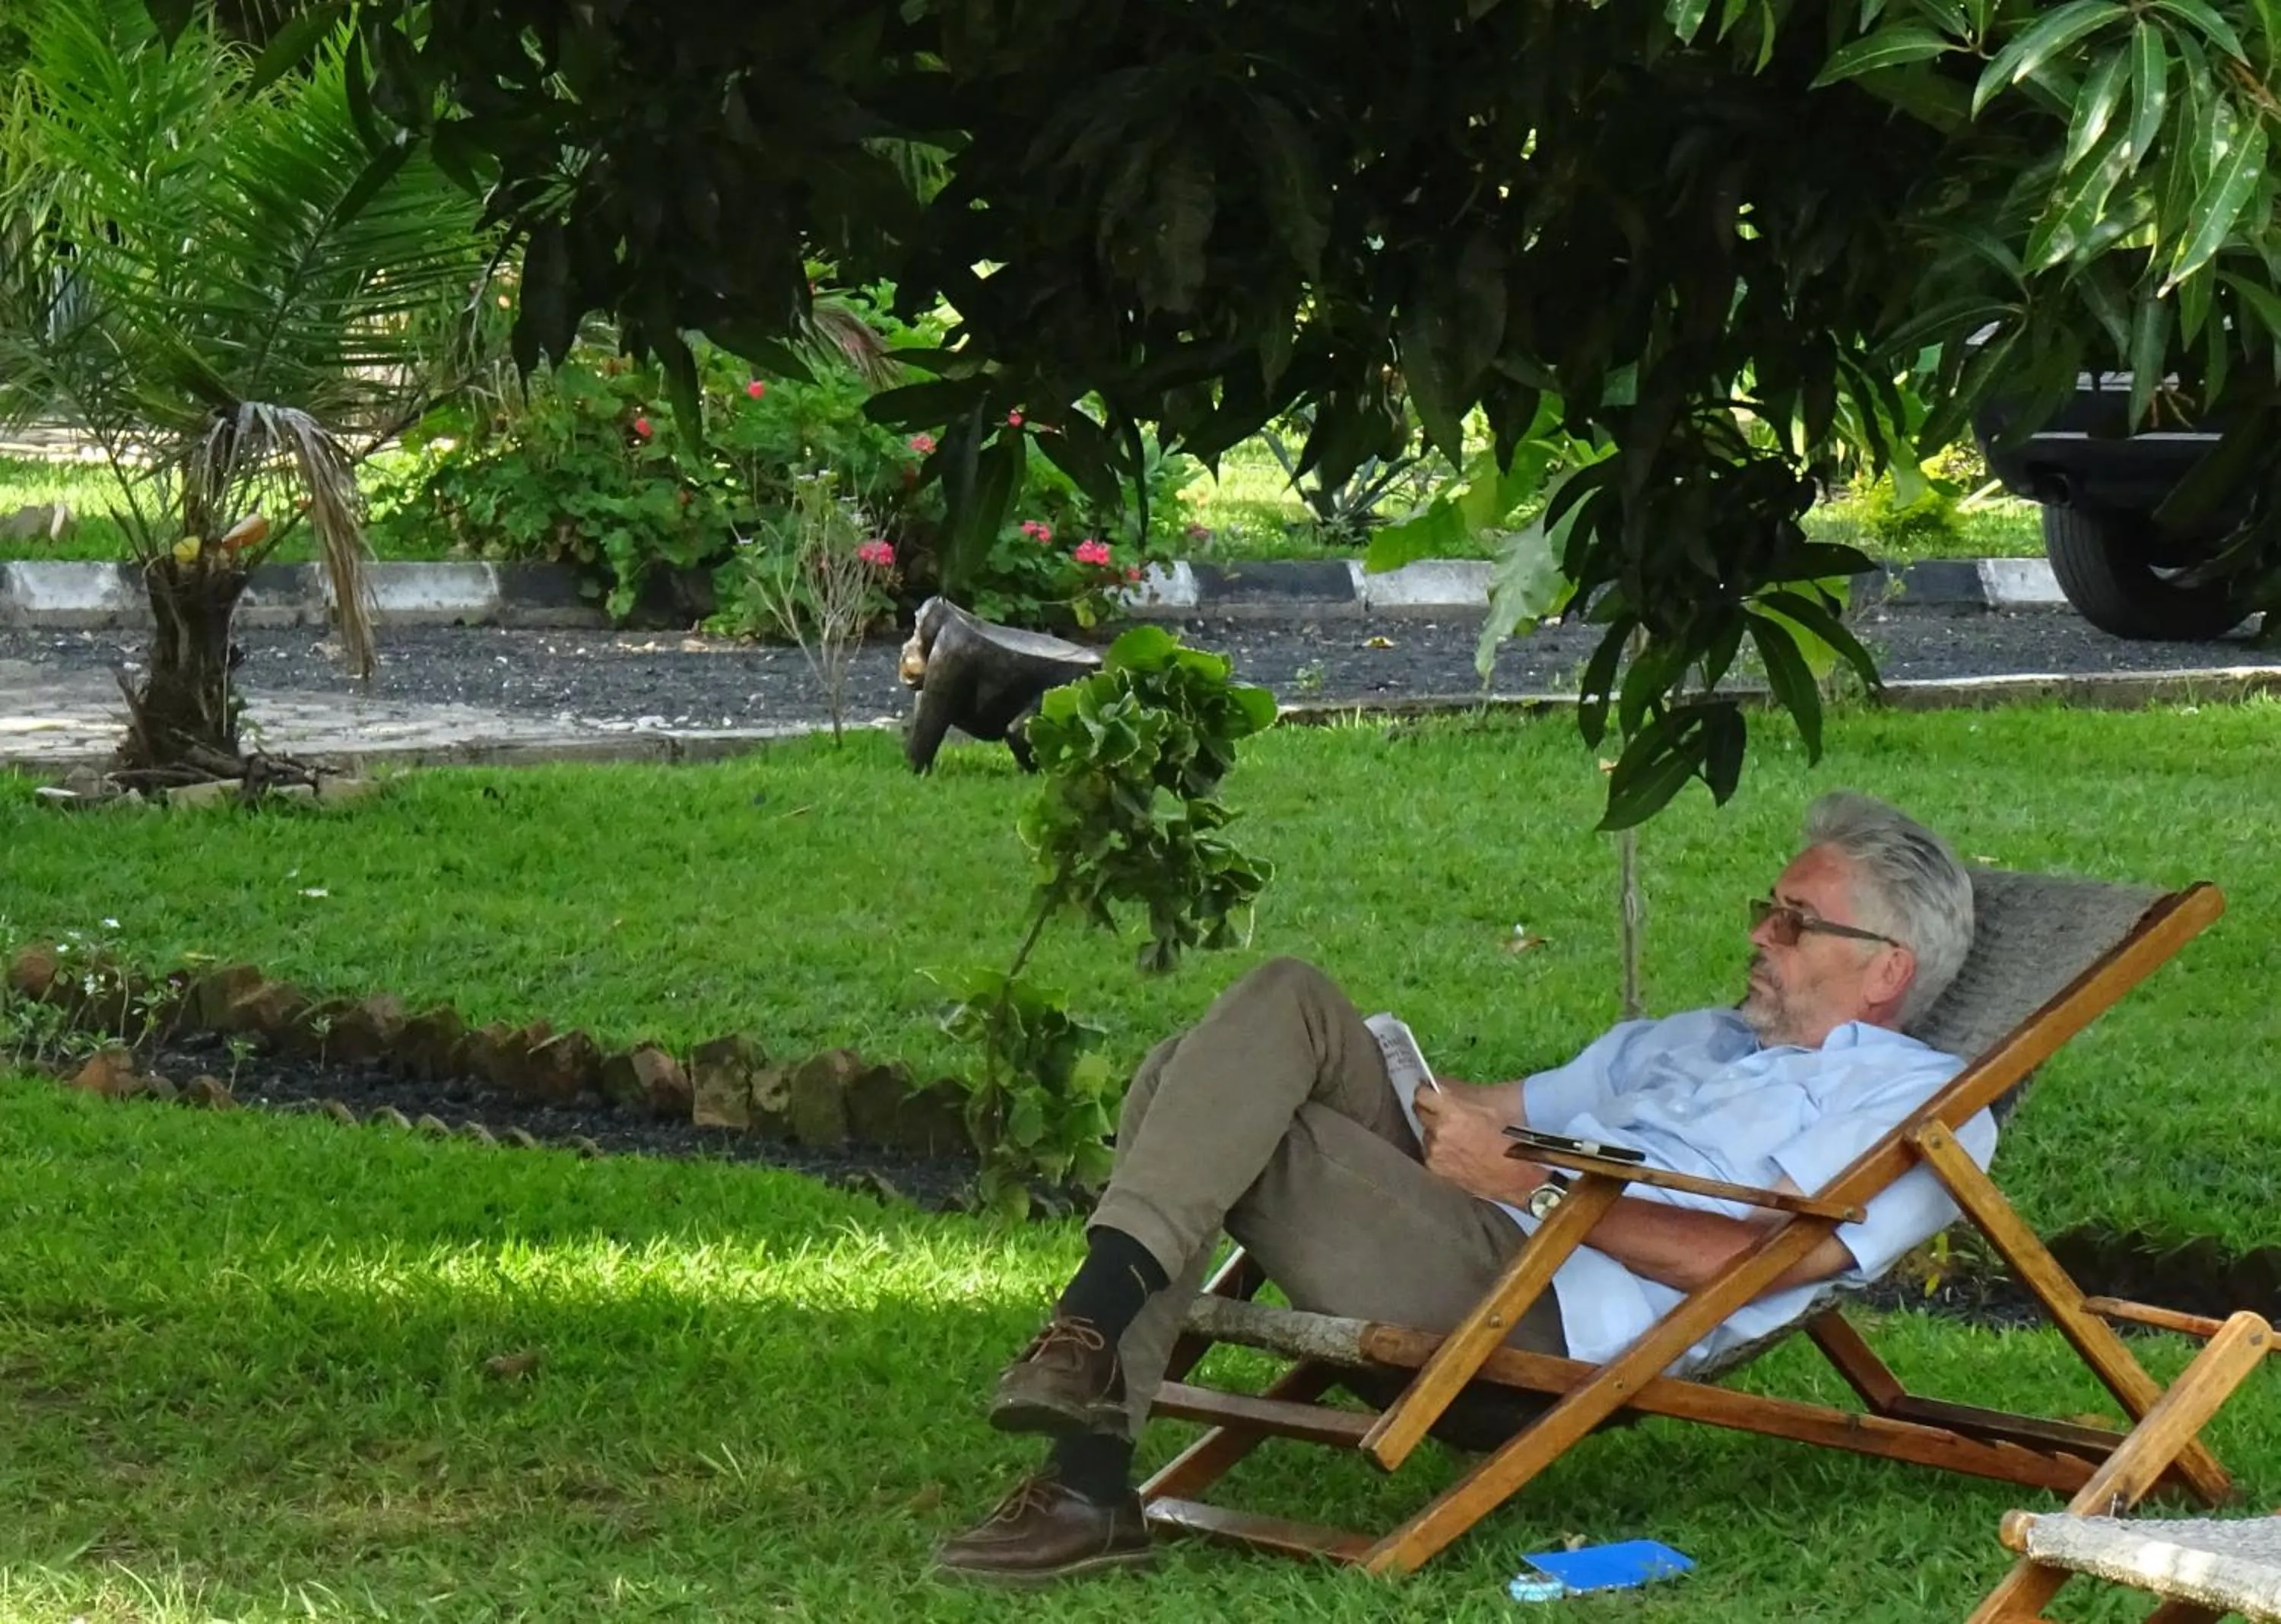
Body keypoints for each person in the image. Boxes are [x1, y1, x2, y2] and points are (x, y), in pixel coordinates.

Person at [934, 791, 1991, 1584]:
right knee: (1265, 1019)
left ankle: (1087, 1439)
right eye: (1769, 910)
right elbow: (1494, 1103)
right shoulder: (1702, 1038)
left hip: (1534, 1315)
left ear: (1887, 968)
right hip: (1476, 1223)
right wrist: (1412, 1096)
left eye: (1795, 921)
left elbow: (1754, 1265)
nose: (1760, 933)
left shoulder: (1926, 1108)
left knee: (1224, 1108)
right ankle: (1087, 1395)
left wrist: (1533, 1189)